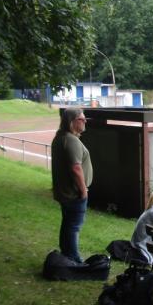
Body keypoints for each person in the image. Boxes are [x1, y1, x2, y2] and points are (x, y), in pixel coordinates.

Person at [51, 108, 93, 263]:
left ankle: (66, 254)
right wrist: (83, 191)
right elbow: (76, 168)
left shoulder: (61, 137)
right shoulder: (71, 140)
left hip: (66, 192)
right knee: (73, 227)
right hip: (74, 193)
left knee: (68, 224)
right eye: (81, 119)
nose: (85, 121)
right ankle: (73, 259)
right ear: (72, 122)